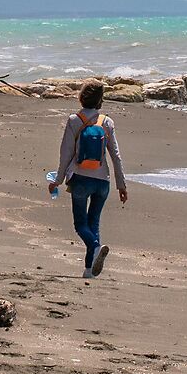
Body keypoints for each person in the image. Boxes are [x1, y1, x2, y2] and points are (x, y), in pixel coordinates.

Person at [48, 80, 127, 276]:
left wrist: (57, 179)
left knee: (81, 225)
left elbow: (65, 153)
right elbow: (115, 155)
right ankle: (89, 270)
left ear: (82, 97)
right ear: (100, 100)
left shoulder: (74, 120)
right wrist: (121, 185)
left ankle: (95, 247)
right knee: (94, 223)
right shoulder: (107, 122)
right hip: (103, 182)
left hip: (80, 179)